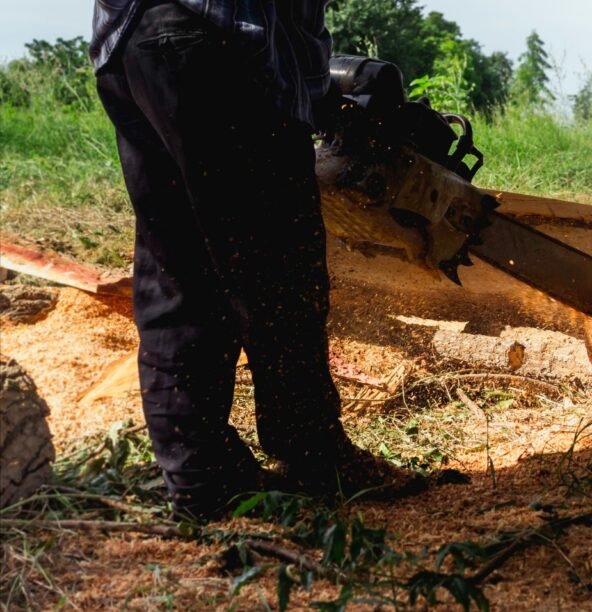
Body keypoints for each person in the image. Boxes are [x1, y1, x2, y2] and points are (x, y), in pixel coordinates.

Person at [90, 0, 420, 520]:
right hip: (223, 40)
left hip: (129, 43)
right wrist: (318, 94)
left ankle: (201, 479)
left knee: (178, 270)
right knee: (280, 271)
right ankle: (313, 454)